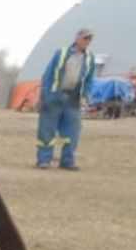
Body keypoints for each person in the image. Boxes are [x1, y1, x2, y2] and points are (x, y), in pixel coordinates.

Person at [36, 28, 96, 170]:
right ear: (77, 38)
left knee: (72, 132)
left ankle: (67, 161)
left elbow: (89, 80)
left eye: (90, 39)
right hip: (54, 96)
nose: (88, 41)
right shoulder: (61, 53)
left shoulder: (89, 58)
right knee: (47, 129)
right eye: (85, 38)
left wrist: (84, 96)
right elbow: (48, 75)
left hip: (73, 99)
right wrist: (43, 96)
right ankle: (44, 160)